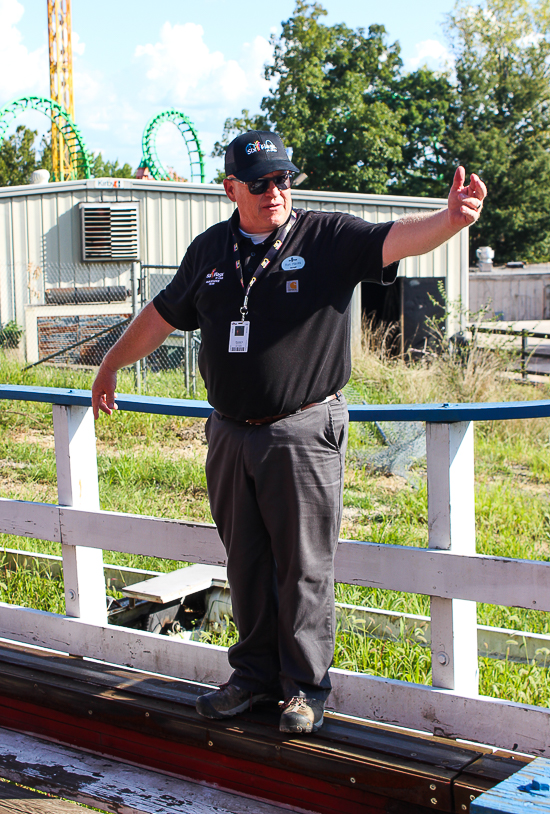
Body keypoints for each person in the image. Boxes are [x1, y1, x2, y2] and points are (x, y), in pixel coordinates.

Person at [92, 130, 486, 735]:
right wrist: (112, 363)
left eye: (283, 180)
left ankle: (304, 689)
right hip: (229, 432)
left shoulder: (325, 237)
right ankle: (250, 678)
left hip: (303, 429)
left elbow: (397, 238)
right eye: (261, 183)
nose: (275, 191)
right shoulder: (209, 252)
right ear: (232, 190)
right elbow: (162, 315)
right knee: (245, 562)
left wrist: (451, 219)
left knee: (302, 566)